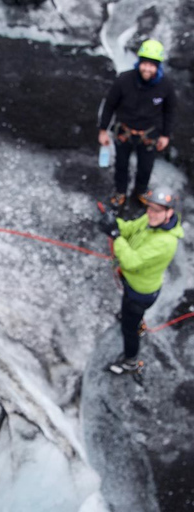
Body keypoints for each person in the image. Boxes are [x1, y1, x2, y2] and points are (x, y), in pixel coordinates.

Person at [99, 186, 183, 374]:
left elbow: (131, 262)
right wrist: (114, 224)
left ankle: (130, 361)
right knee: (128, 312)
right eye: (150, 208)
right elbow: (130, 230)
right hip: (134, 286)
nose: (151, 214)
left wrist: (115, 236)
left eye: (157, 210)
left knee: (129, 330)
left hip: (141, 293)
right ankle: (134, 320)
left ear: (169, 212)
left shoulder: (166, 242)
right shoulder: (151, 220)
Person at [97, 39, 177, 209]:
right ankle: (120, 192)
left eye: (152, 65)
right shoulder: (124, 80)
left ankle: (140, 192)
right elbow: (109, 104)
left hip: (149, 134)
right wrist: (103, 130)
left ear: (158, 66)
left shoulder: (165, 86)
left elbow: (169, 111)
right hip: (123, 132)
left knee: (145, 167)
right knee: (121, 165)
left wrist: (165, 135)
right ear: (139, 62)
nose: (147, 68)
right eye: (145, 63)